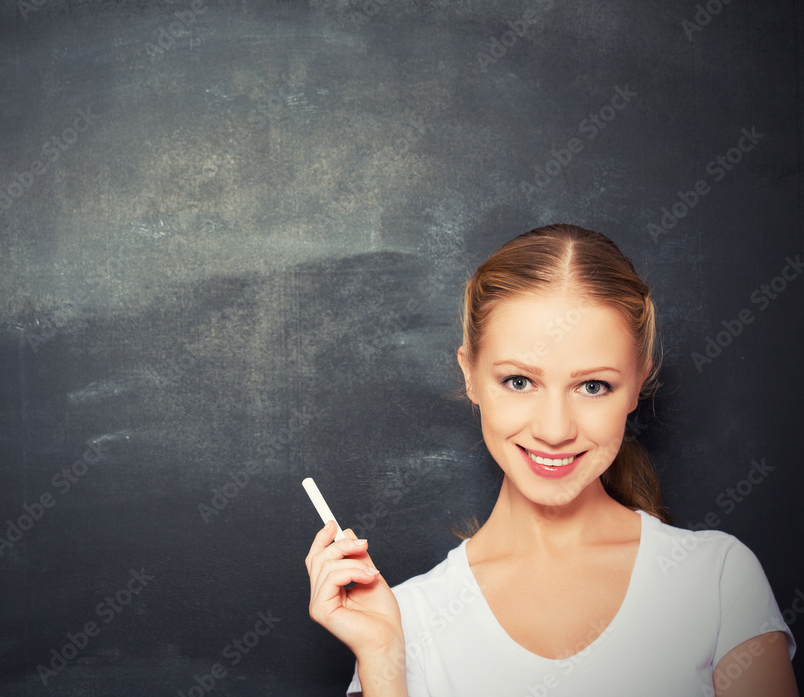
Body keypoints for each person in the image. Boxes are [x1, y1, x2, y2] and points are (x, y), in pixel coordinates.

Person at [305, 224, 798, 696]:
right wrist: (382, 658)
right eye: (519, 381)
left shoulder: (716, 581)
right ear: (471, 375)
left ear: (637, 385)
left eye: (593, 386)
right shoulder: (402, 619)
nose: (555, 430)